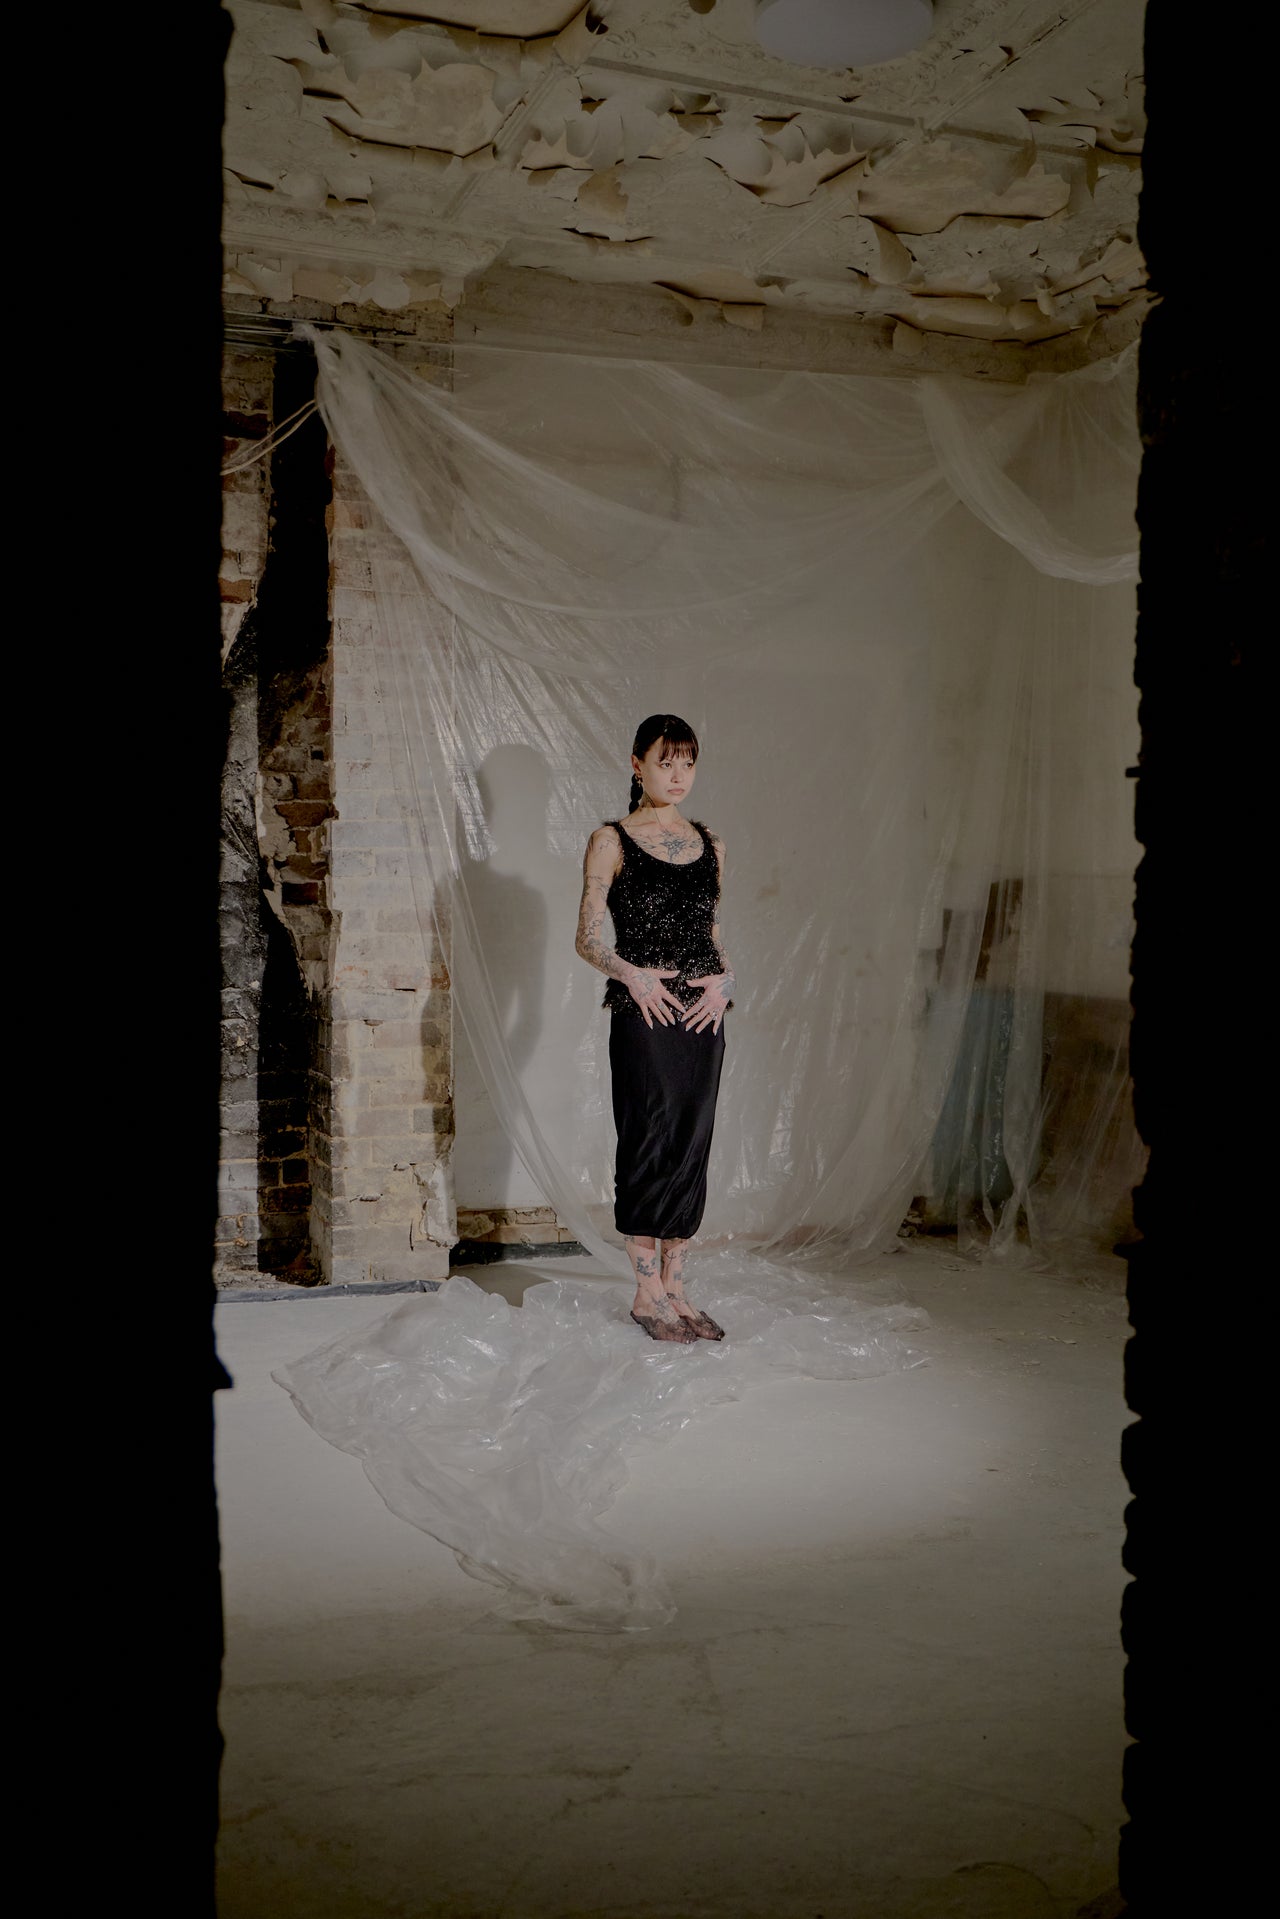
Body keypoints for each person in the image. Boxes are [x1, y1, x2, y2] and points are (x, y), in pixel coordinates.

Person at [574, 714, 735, 1343]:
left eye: (688, 762)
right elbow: (586, 937)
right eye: (666, 761)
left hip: (703, 1013)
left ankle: (677, 1287)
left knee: (693, 1138)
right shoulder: (610, 838)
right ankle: (645, 1292)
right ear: (636, 763)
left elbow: (712, 932)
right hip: (645, 1008)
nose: (678, 775)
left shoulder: (712, 841)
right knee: (648, 1136)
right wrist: (631, 974)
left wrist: (727, 981)